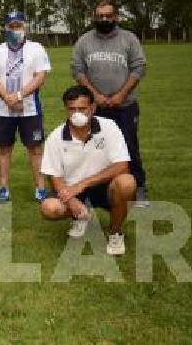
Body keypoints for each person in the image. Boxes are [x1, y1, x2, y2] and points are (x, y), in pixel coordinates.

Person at [38, 85, 137, 256]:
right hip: (72, 189)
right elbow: (54, 176)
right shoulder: (55, 138)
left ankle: (115, 233)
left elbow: (122, 165)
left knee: (127, 182)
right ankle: (80, 216)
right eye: (72, 109)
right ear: (66, 109)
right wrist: (71, 201)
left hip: (105, 186)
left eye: (82, 109)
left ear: (93, 107)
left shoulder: (109, 127)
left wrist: (83, 184)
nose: (77, 114)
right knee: (49, 208)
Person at [70, 0, 150, 206]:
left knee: (129, 147)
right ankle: (92, 194)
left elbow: (139, 67)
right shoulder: (84, 41)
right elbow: (77, 69)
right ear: (94, 17)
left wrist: (122, 94)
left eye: (108, 15)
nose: (104, 19)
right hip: (95, 107)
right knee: (93, 149)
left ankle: (138, 189)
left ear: (116, 17)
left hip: (124, 106)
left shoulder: (128, 39)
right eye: (100, 16)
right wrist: (94, 95)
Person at [0, 10, 52, 203]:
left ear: (25, 26)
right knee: (4, 149)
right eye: (12, 26)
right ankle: (3, 187)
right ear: (6, 28)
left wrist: (20, 95)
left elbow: (41, 76)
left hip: (30, 108)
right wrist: (7, 97)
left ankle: (40, 188)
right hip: (3, 109)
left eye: (19, 25)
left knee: (35, 148)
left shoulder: (37, 48)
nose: (15, 29)